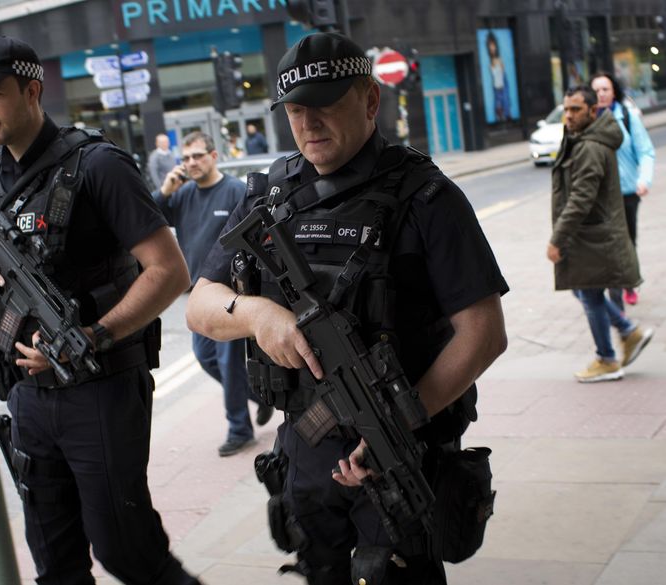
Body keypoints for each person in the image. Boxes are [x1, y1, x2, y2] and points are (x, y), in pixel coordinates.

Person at [186, 32, 508, 584]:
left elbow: (483, 332)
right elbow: (200, 306)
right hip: (305, 451)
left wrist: (400, 422)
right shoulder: (268, 194)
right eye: (296, 110)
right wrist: (258, 314)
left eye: (326, 105)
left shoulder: (426, 196)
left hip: (403, 446)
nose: (309, 123)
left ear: (370, 101)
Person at [0, 36, 201, 585]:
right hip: (27, 395)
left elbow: (168, 271)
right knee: (55, 564)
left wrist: (94, 335)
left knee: (128, 552)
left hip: (101, 389)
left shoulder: (99, 165)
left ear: (32, 91)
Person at [152, 130, 273, 457]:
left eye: (198, 156)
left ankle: (239, 429)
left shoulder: (235, 191)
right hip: (199, 295)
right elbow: (148, 220)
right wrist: (164, 192)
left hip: (231, 293)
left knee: (229, 363)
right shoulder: (183, 195)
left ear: (213, 156)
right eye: (186, 158)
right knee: (206, 358)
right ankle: (260, 397)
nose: (191, 162)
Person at [548, 85, 653, 383]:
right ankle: (627, 332)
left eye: (576, 109)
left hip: (591, 237)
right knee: (583, 290)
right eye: (566, 109)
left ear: (593, 111)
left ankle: (607, 358)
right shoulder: (581, 138)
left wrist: (558, 239)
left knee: (588, 292)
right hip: (589, 236)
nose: (568, 115)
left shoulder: (590, 147)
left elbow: (582, 199)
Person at [590, 72, 655, 307]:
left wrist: (644, 180)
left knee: (627, 242)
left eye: (605, 89)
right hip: (599, 197)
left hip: (627, 193)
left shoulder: (627, 116)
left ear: (613, 91)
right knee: (608, 245)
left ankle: (629, 283)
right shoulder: (588, 121)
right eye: (596, 90)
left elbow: (646, 151)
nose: (601, 94)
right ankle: (616, 294)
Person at [485, 30, 511, 122]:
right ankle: (501, 115)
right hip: (497, 84)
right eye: (490, 46)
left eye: (493, 45)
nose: (492, 48)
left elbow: (502, 72)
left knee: (505, 99)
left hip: (502, 82)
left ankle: (506, 114)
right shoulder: (490, 62)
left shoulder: (499, 59)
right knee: (498, 101)